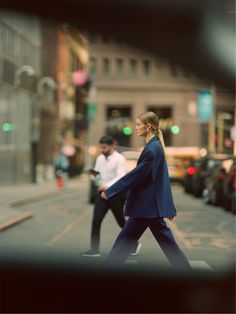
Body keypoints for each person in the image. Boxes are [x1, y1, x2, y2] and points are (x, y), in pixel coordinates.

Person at [101, 112, 192, 270]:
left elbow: (137, 176)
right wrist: (166, 207)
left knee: (125, 241)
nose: (135, 127)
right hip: (149, 207)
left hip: (145, 206)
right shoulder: (154, 147)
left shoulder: (152, 150)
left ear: (148, 126)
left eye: (138, 124)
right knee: (156, 242)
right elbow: (160, 181)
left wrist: (111, 190)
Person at [81, 135, 142, 257]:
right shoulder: (99, 158)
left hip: (115, 195)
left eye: (104, 147)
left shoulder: (119, 158)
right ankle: (94, 249)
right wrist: (95, 179)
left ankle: (135, 244)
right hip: (102, 195)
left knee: (121, 222)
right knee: (96, 221)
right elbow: (96, 173)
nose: (102, 150)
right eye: (101, 147)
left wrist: (107, 185)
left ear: (112, 146)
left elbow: (120, 176)